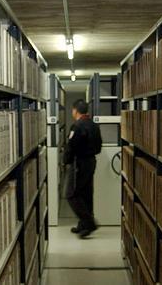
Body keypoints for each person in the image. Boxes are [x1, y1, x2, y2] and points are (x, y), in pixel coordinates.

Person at [64, 99, 102, 238]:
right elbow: (99, 147)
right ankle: (83, 225)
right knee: (85, 193)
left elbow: (71, 146)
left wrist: (65, 161)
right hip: (91, 161)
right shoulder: (94, 125)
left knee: (71, 194)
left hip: (79, 163)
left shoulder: (77, 126)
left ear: (75, 110)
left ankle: (89, 222)